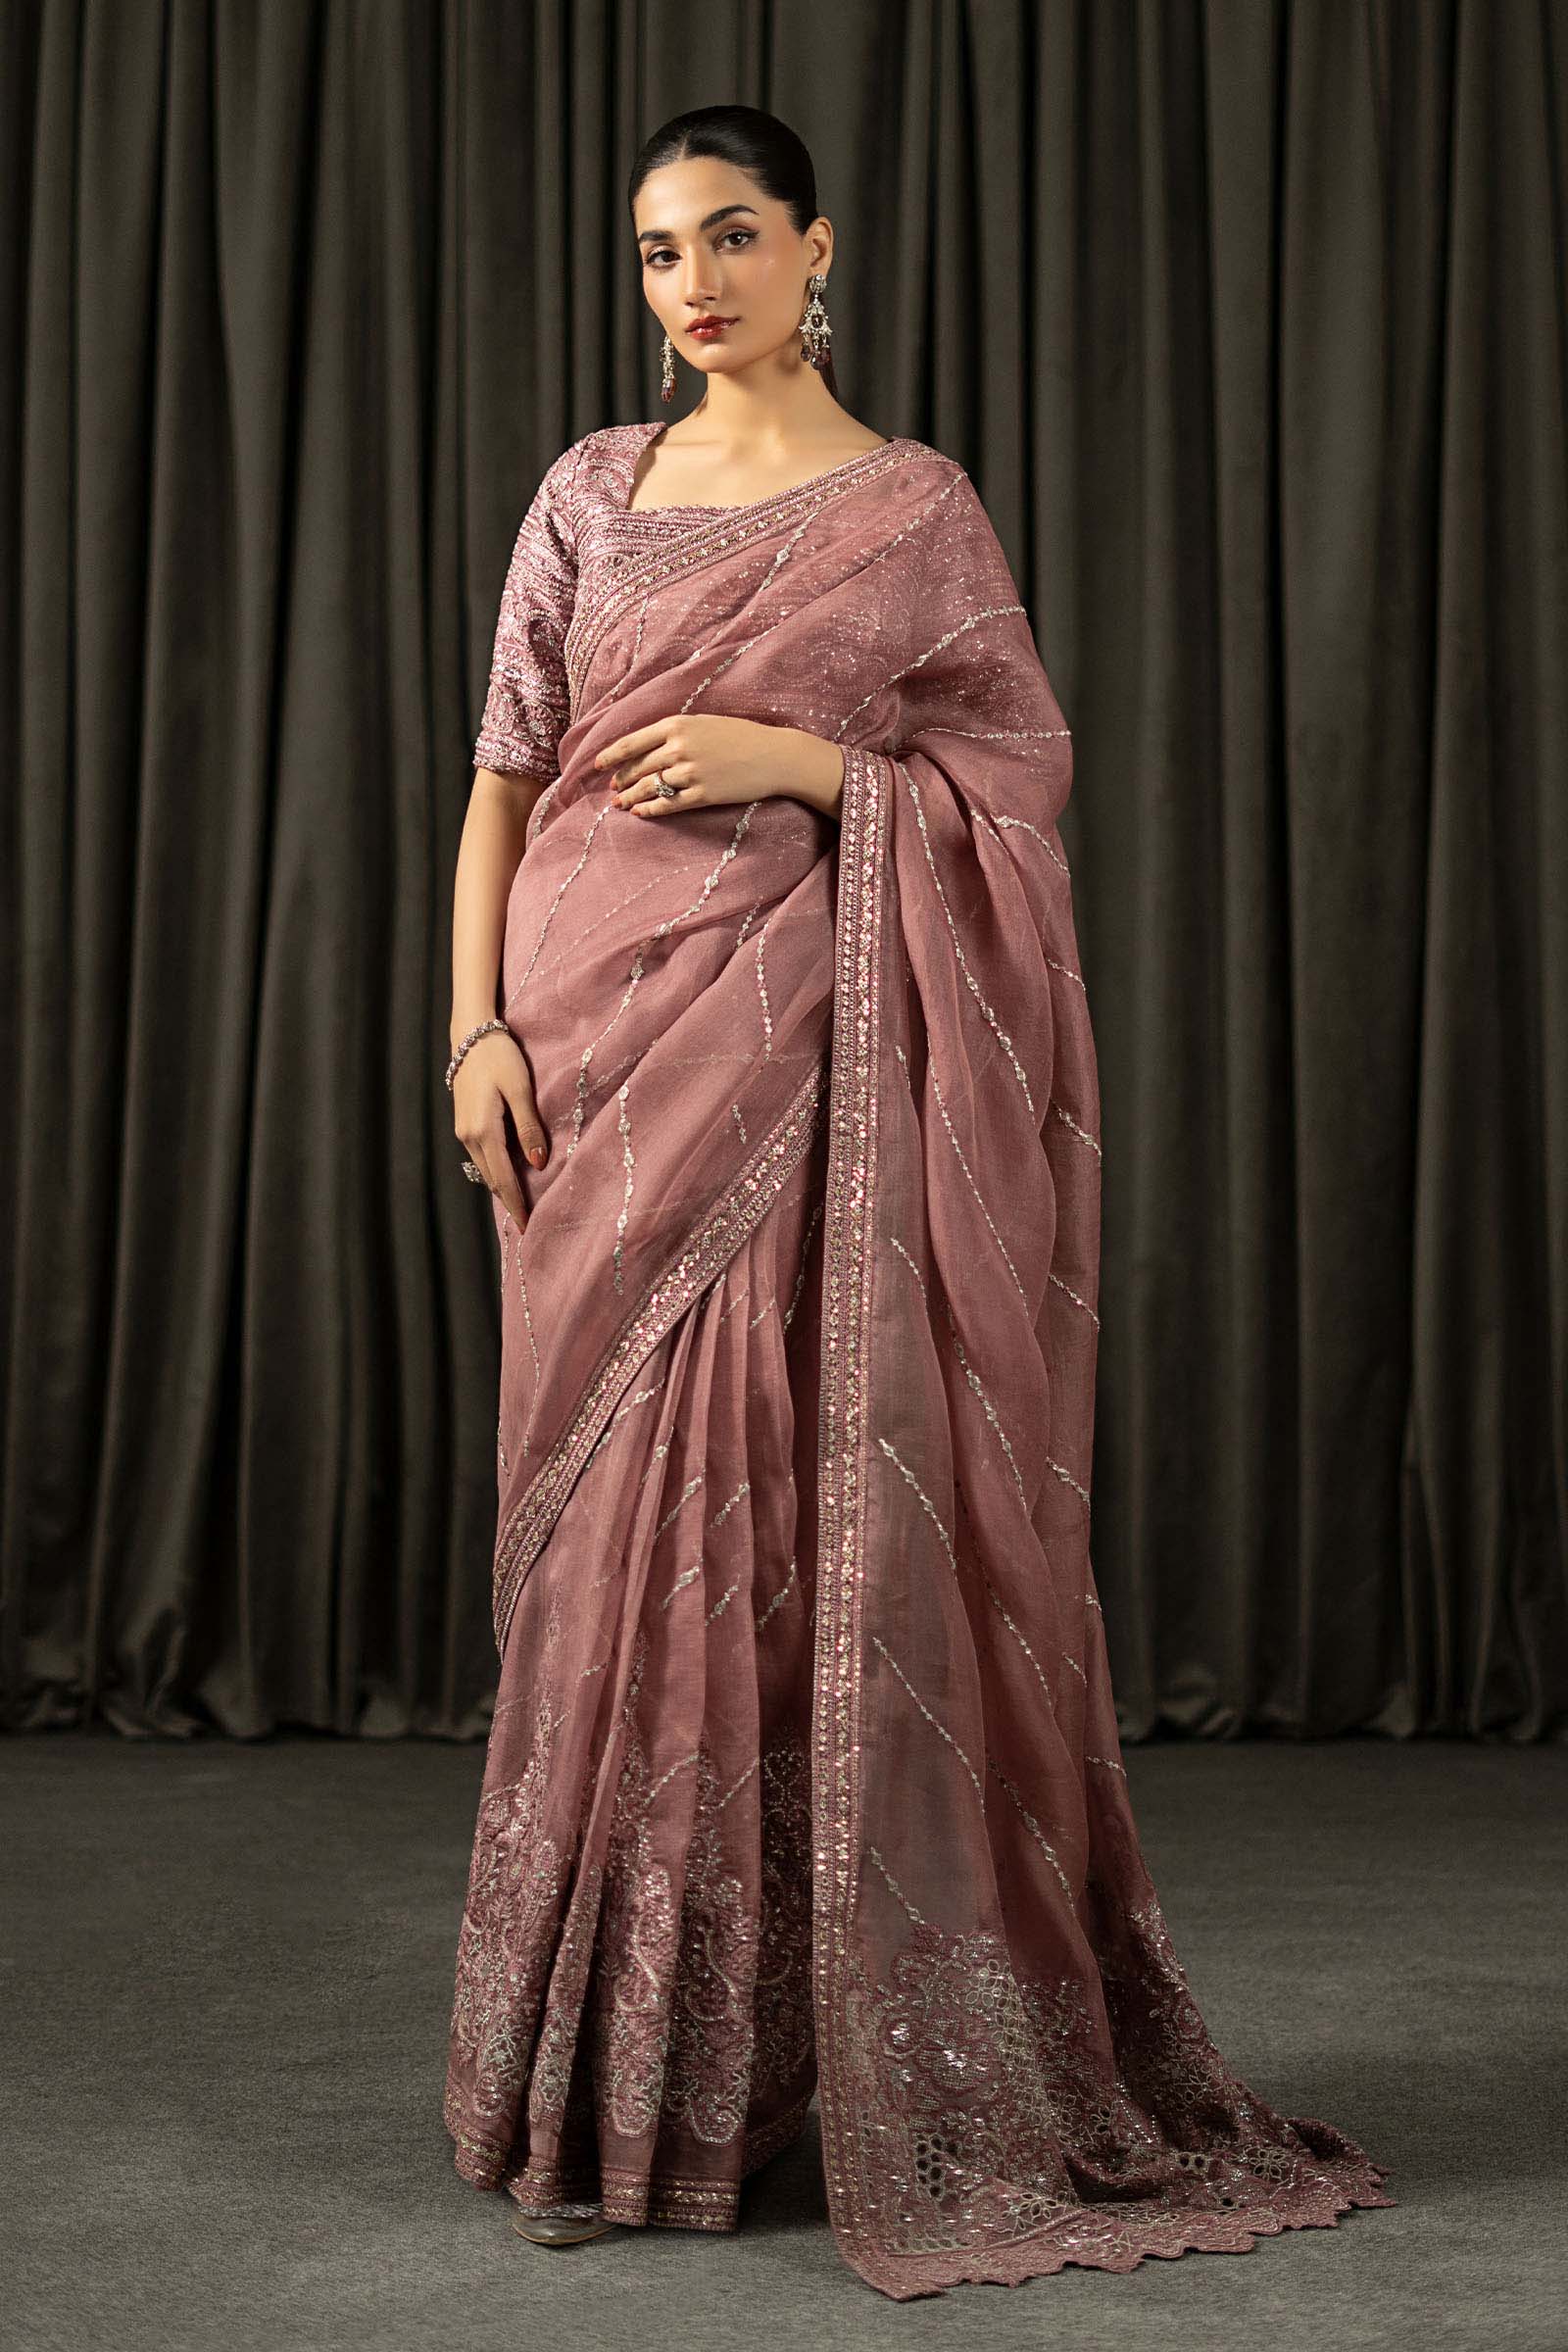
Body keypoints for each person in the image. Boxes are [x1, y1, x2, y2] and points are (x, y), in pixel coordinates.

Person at [440, 102, 1394, 2303]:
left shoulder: (912, 511)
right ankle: (594, 2083)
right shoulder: (589, 490)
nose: (694, 281)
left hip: (800, 1063)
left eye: (732, 235)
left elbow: (1012, 785)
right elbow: (501, 779)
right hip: (581, 1065)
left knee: (779, 1537)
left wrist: (804, 767)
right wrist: (469, 1027)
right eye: (660, 248)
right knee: (602, 1556)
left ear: (817, 250)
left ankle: (729, 2087)